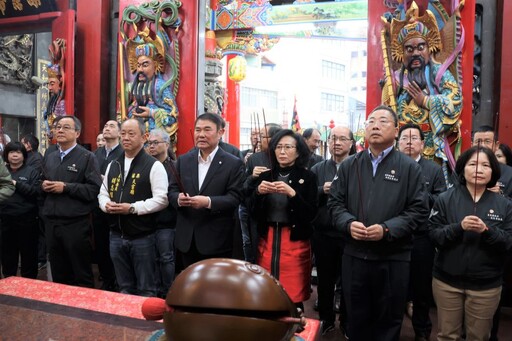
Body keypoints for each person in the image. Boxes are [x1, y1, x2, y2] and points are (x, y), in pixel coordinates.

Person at [328, 105, 428, 341]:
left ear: (396, 131)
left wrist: (387, 229)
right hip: (354, 256)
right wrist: (348, 223)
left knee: (388, 320)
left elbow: (419, 210)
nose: (374, 125)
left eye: (383, 121)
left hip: (392, 257)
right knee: (355, 318)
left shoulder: (409, 168)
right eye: (370, 121)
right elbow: (335, 204)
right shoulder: (350, 165)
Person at [429, 146, 512, 341]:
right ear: (462, 169)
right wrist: (459, 228)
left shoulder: (504, 204)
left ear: (493, 171)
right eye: (473, 164)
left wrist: (487, 231)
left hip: (486, 286)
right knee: (447, 335)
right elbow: (433, 234)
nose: (478, 169)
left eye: (485, 165)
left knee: (479, 336)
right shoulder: (445, 199)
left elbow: (508, 242)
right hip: (446, 281)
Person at [385, 4, 462, 184]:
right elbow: (386, 111)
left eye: (421, 47)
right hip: (401, 146)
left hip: (428, 145)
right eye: (409, 50)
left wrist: (426, 100)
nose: (416, 53)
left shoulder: (439, 73)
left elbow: (455, 98)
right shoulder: (395, 79)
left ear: (430, 48)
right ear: (401, 53)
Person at [98, 119, 168, 296]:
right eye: (123, 134)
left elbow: (162, 199)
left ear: (144, 137)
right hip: (116, 235)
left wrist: (132, 208)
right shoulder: (114, 164)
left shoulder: (154, 165)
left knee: (147, 288)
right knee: (124, 287)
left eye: (131, 134)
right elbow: (102, 192)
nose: (126, 138)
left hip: (142, 237)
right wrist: (106, 205)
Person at [250, 129, 318, 310]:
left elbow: (310, 214)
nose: (282, 151)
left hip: (294, 241)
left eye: (288, 147)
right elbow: (253, 213)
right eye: (278, 147)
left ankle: (295, 329)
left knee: (292, 293)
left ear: (298, 151)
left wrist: (292, 193)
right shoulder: (265, 176)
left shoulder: (308, 177)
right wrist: (257, 193)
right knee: (267, 289)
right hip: (268, 239)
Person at [168, 113, 245, 268]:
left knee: (214, 288)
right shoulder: (184, 160)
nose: (201, 135)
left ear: (220, 133)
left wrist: (208, 202)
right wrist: (178, 198)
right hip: (186, 239)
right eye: (198, 130)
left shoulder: (233, 163)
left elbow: (235, 197)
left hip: (216, 239)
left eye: (207, 130)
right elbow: (172, 190)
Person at [398, 122, 447, 341]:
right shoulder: (391, 165)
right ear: (398, 143)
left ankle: (422, 330)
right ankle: (392, 329)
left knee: (421, 287)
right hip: (395, 236)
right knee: (395, 286)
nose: (409, 143)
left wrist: (419, 196)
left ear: (422, 143)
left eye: (414, 138)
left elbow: (441, 200)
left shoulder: (434, 169)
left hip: (421, 236)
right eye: (405, 139)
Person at [41, 116, 102, 288]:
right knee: (59, 274)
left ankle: (85, 312)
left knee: (81, 273)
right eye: (58, 127)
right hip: (51, 223)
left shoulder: (87, 157)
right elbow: (40, 182)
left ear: (77, 133)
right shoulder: (50, 156)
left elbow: (94, 190)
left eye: (66, 127)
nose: (59, 130)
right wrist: (43, 185)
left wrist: (66, 187)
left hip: (75, 224)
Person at [310, 126, 355, 335]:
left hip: (349, 234)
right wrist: (322, 190)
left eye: (342, 139)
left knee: (348, 281)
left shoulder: (357, 167)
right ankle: (326, 320)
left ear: (351, 143)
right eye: (333, 138)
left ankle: (346, 322)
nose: (336, 142)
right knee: (325, 280)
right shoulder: (318, 168)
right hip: (323, 233)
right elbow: (306, 196)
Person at [242, 122, 282, 263]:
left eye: (263, 136)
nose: (259, 139)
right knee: (257, 252)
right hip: (258, 214)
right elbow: (244, 188)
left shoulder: (285, 157)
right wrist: (253, 177)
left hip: (281, 213)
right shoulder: (254, 158)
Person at [0, 142, 40, 279]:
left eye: (18, 152)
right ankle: (8, 285)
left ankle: (29, 286)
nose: (15, 155)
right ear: (6, 155)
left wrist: (15, 183)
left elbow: (35, 192)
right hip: (5, 221)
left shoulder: (32, 171)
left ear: (24, 155)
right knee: (7, 256)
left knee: (29, 256)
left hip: (27, 221)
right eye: (11, 152)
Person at [92, 120, 123, 291]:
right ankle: (106, 279)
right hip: (98, 205)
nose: (107, 128)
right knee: (101, 244)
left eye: (111, 126)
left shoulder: (123, 153)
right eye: (105, 126)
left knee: (116, 245)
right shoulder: (95, 154)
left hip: (118, 205)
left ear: (119, 133)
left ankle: (118, 280)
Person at [148, 128, 177, 297]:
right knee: (150, 258)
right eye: (149, 143)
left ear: (166, 144)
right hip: (146, 220)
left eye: (155, 143)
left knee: (166, 258)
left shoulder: (174, 167)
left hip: (167, 221)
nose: (151, 146)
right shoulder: (145, 165)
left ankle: (168, 292)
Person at [127, 43, 178, 139]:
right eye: (138, 65)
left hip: (154, 136)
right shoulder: (134, 88)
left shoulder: (160, 86)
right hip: (136, 135)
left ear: (155, 66)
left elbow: (172, 116)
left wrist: (151, 113)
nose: (140, 70)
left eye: (145, 65)